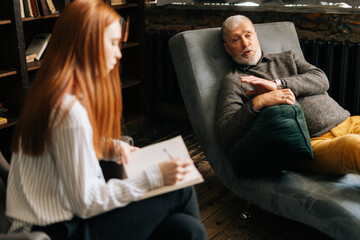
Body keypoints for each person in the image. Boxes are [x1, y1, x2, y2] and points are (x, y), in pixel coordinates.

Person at [5, 1, 206, 239]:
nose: (119, 53)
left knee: (187, 229)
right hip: (59, 229)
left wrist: (109, 146)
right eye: (112, 43)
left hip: (57, 219)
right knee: (180, 190)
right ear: (85, 45)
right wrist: (154, 177)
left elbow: (62, 149)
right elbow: (87, 202)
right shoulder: (69, 111)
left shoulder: (53, 94)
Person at [216, 14, 360, 176]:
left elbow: (321, 80)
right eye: (236, 40)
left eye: (248, 35)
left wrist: (278, 84)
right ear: (227, 48)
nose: (245, 43)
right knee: (354, 146)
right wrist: (258, 102)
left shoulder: (287, 57)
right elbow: (224, 133)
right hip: (316, 143)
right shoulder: (234, 81)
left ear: (256, 36)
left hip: (348, 122)